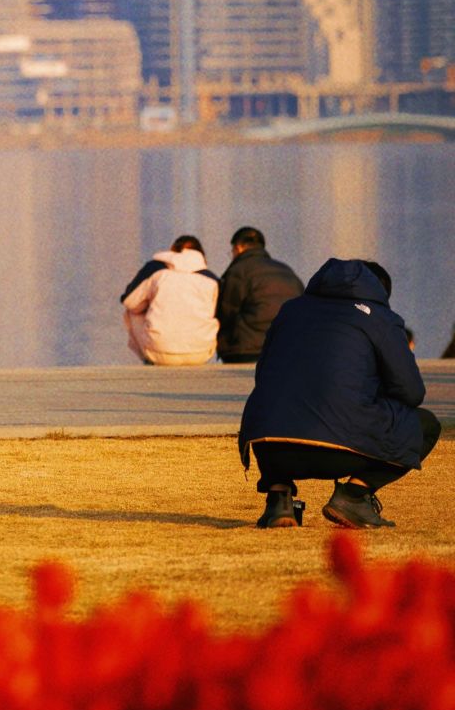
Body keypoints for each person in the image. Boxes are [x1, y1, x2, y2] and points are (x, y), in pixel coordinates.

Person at [239, 258, 440, 529]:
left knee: (273, 404)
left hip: (272, 445)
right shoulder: (380, 318)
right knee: (426, 425)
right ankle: (354, 496)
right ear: (380, 292)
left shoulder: (290, 310)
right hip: (341, 451)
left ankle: (279, 499)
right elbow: (412, 392)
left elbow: (264, 376)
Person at [120, 235, 219, 366]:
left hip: (158, 352)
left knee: (132, 311)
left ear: (172, 250)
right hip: (201, 353)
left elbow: (129, 302)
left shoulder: (156, 269)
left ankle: (148, 358)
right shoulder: (211, 279)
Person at [216, 225, 303, 364]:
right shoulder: (286, 270)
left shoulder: (238, 271)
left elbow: (226, 313)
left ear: (238, 247)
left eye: (232, 251)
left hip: (248, 350)